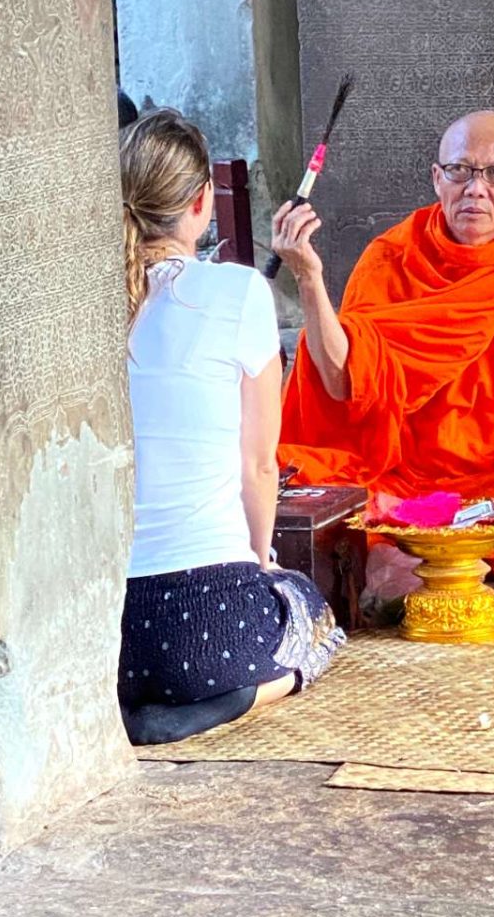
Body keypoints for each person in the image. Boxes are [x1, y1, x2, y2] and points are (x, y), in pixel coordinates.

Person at [272, 110, 494, 580]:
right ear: (436, 178)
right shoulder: (392, 258)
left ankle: (412, 563)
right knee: (310, 490)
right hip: (396, 475)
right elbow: (344, 381)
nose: (475, 188)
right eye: (459, 171)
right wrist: (308, 277)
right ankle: (404, 561)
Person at [117, 108, 344, 746]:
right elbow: (259, 464)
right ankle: (228, 702)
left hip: (104, 638)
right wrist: (261, 560)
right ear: (200, 203)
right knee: (314, 616)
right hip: (209, 626)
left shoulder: (85, 301)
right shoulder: (239, 291)